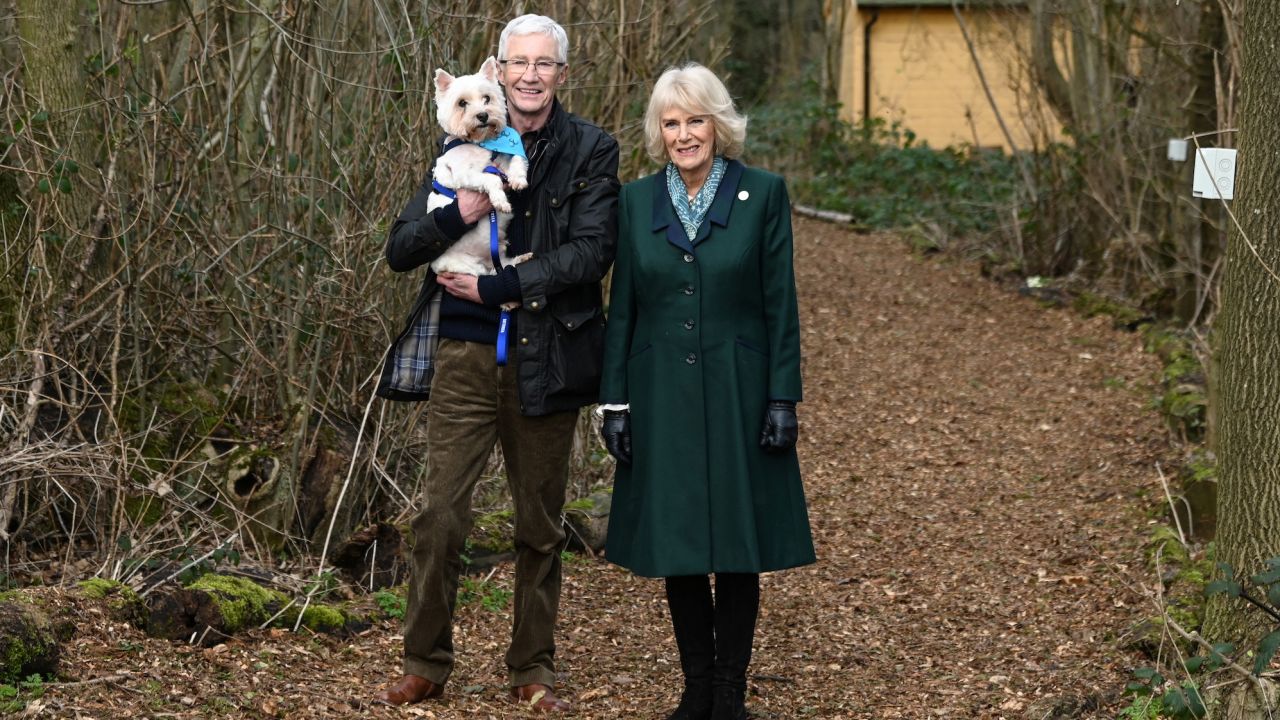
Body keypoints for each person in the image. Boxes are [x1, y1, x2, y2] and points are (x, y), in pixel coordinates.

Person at [374, 14, 619, 713]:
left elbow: (591, 253)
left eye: (545, 64)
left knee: (539, 525)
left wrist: (499, 284)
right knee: (439, 516)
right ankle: (425, 662)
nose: (531, 75)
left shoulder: (591, 150)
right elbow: (401, 247)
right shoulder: (457, 147)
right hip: (464, 352)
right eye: (519, 63)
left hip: (548, 354)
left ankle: (531, 667)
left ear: (561, 75)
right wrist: (462, 213)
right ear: (499, 74)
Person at [598, 63, 816, 720]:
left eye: (695, 120)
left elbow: (781, 303)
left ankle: (729, 694)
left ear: (718, 125)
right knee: (682, 544)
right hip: (660, 390)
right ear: (658, 131)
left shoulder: (763, 193)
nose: (684, 134)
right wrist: (615, 401)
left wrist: (784, 397)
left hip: (739, 388)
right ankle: (696, 691)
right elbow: (624, 308)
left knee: (737, 545)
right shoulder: (636, 202)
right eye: (671, 122)